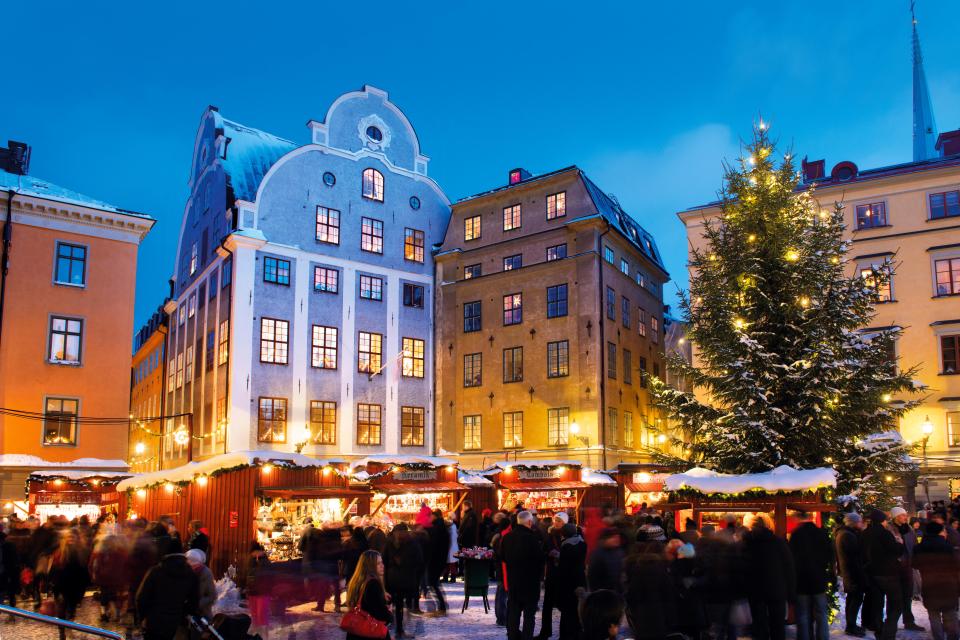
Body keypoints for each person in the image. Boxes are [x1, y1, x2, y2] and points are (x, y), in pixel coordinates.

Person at [741, 513, 794, 640]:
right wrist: (791, 595)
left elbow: (742, 568)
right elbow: (789, 569)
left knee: (759, 625)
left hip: (755, 591)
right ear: (768, 525)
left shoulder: (747, 544)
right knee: (778, 625)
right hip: (777, 590)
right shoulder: (778, 542)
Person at [136, 546, 199, 640]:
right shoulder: (190, 574)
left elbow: (141, 597)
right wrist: (183, 614)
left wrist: (142, 617)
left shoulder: (155, 571)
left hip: (153, 621)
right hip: (175, 622)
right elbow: (194, 600)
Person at [501, 510, 546, 640]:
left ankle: (512, 636)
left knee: (514, 614)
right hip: (530, 583)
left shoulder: (507, 537)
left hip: (514, 581)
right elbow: (540, 559)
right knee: (529, 615)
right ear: (530, 522)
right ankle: (526, 637)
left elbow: (502, 557)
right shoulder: (532, 538)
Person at [789, 512, 834, 640]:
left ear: (798, 518)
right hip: (819, 579)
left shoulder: (796, 535)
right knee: (821, 613)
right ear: (810, 517)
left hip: (801, 580)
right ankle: (822, 637)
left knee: (803, 614)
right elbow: (829, 555)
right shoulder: (822, 533)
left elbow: (792, 558)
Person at [913, 521, 960, 640]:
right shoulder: (948, 547)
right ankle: (952, 637)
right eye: (944, 530)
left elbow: (915, 564)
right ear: (939, 532)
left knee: (933, 616)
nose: (946, 533)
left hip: (929, 585)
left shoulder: (919, 547)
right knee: (950, 615)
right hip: (948, 585)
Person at [862, 509, 905, 640]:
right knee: (896, 604)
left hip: (871, 573)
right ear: (882, 521)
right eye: (885, 520)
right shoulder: (885, 534)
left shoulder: (865, 534)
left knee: (877, 604)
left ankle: (878, 629)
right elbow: (895, 551)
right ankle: (888, 632)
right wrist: (900, 544)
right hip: (888, 573)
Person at [384, 523, 423, 639]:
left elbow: (383, 560)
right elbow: (419, 561)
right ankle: (399, 629)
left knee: (392, 603)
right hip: (406, 579)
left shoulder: (389, 543)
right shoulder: (412, 543)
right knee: (401, 604)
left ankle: (388, 627)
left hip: (391, 579)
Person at [889, 506, 924, 631]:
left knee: (907, 595)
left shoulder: (909, 529)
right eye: (903, 515)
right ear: (896, 517)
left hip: (908, 566)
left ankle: (909, 621)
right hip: (895, 567)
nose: (905, 517)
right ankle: (890, 623)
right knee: (894, 597)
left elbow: (914, 545)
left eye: (905, 515)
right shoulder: (889, 529)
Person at [345, 550, 392, 640]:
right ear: (370, 566)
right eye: (378, 564)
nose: (383, 566)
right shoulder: (373, 584)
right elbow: (379, 613)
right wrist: (389, 613)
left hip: (356, 631)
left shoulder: (357, 581)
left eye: (382, 562)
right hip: (370, 632)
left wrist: (381, 595)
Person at [835, 513, 868, 636]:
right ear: (854, 522)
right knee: (855, 600)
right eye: (859, 521)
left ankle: (851, 625)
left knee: (852, 600)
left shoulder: (844, 534)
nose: (861, 523)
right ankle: (851, 626)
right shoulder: (848, 536)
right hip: (853, 574)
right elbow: (854, 557)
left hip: (849, 573)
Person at [48, 529, 89, 622]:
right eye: (69, 537)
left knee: (71, 604)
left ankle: (69, 618)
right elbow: (53, 566)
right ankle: (63, 626)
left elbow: (83, 568)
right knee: (64, 604)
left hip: (75, 582)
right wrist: (52, 581)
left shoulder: (81, 550)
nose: (71, 539)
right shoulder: (60, 551)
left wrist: (84, 583)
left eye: (72, 537)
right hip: (62, 582)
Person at [554, 523, 586, 640]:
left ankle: (567, 635)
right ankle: (577, 633)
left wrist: (558, 559)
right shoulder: (582, 543)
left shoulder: (566, 546)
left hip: (568, 582)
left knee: (567, 611)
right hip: (580, 579)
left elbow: (564, 566)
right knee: (576, 609)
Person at [89, 531, 128, 622]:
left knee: (105, 596)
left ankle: (104, 613)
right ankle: (112, 613)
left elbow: (94, 565)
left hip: (104, 578)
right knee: (112, 596)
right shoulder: (121, 552)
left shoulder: (101, 552)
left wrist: (94, 576)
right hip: (115, 579)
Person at [426, 509, 449, 615]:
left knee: (433, 583)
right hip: (440, 559)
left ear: (434, 517)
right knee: (434, 583)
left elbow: (434, 546)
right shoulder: (441, 527)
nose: (429, 518)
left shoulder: (436, 528)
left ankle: (442, 605)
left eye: (431, 516)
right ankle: (443, 604)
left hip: (436, 560)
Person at [588, 528, 624, 594]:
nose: (617, 539)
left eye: (618, 537)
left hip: (616, 591)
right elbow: (592, 576)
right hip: (603, 591)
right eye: (614, 537)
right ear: (605, 539)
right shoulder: (597, 554)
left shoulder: (619, 552)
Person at [185, 549, 216, 621]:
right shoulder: (186, 573)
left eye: (194, 566)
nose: (193, 568)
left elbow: (212, 595)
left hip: (203, 614)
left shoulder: (206, 573)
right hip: (188, 614)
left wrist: (196, 604)